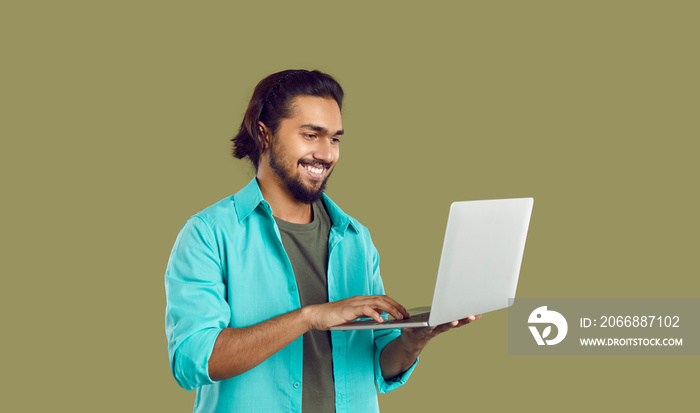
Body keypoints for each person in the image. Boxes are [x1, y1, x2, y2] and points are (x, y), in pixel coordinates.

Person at [164, 69, 480, 413]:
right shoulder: (208, 234)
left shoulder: (356, 238)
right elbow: (193, 361)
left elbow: (376, 366)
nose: (326, 154)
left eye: (334, 139)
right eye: (311, 135)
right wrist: (308, 318)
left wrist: (411, 342)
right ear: (263, 134)